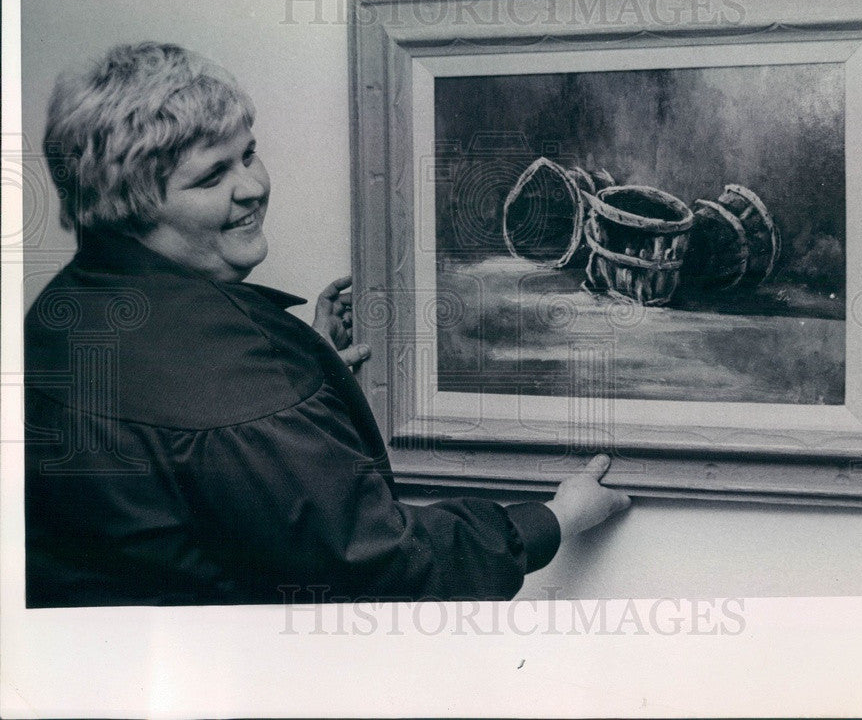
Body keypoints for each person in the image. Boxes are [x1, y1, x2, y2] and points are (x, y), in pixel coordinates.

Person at [24, 42, 630, 607]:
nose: (253, 187)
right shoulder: (232, 379)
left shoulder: (56, 313)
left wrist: (304, 388)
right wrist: (556, 519)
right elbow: (382, 563)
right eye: (211, 177)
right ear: (129, 206)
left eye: (249, 153)